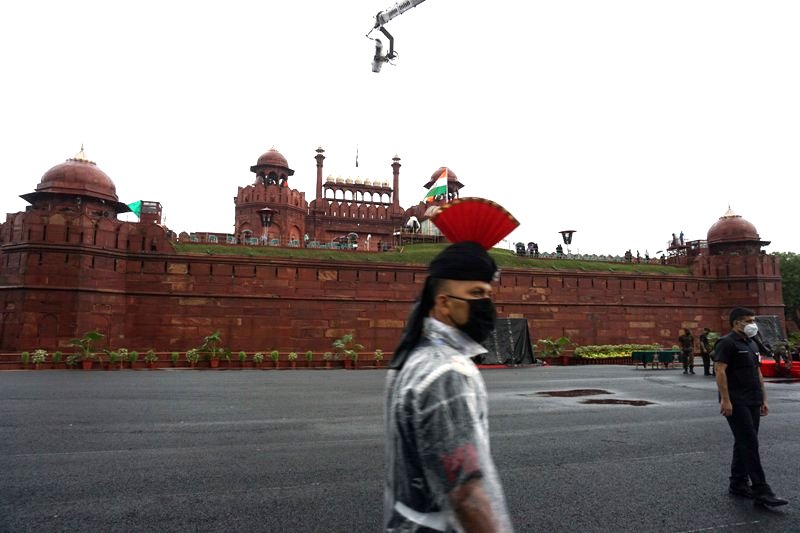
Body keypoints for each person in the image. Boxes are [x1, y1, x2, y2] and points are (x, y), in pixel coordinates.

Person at [385, 217, 514, 531]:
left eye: (487, 293)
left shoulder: (414, 359)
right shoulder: (446, 374)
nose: (486, 303)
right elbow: (466, 492)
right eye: (477, 292)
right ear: (443, 303)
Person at [714, 307, 788, 507]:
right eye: (747, 321)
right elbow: (719, 371)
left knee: (744, 441)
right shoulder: (727, 343)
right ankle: (761, 489)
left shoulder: (752, 343)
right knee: (749, 442)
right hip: (736, 400)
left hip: (753, 399)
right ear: (736, 323)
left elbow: (758, 372)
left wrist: (763, 399)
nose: (752, 324)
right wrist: (725, 399)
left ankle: (738, 483)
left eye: (753, 320)